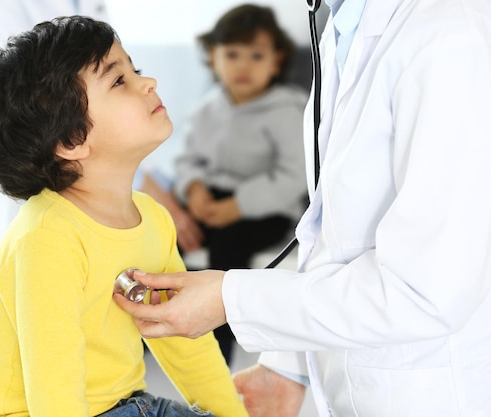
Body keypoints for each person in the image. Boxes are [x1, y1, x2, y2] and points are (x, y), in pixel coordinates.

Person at [114, 0, 491, 416]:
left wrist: (229, 299)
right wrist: (288, 364)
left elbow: (426, 290)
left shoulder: (452, 35)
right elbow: (333, 231)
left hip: (428, 394)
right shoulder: (342, 27)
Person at [0, 16, 249, 417]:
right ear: (72, 140)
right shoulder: (47, 239)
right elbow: (53, 388)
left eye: (137, 71)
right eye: (119, 81)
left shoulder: (152, 218)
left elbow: (182, 337)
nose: (148, 83)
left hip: (129, 405)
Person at [172, 4, 308, 365]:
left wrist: (239, 206)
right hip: (212, 199)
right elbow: (188, 161)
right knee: (164, 236)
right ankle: (163, 337)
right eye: (232, 54)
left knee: (227, 253)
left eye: (256, 55)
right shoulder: (206, 110)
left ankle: (219, 354)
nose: (243, 66)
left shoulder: (288, 110)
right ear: (212, 56)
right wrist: (195, 189)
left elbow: (292, 176)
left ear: (276, 61)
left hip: (265, 210)